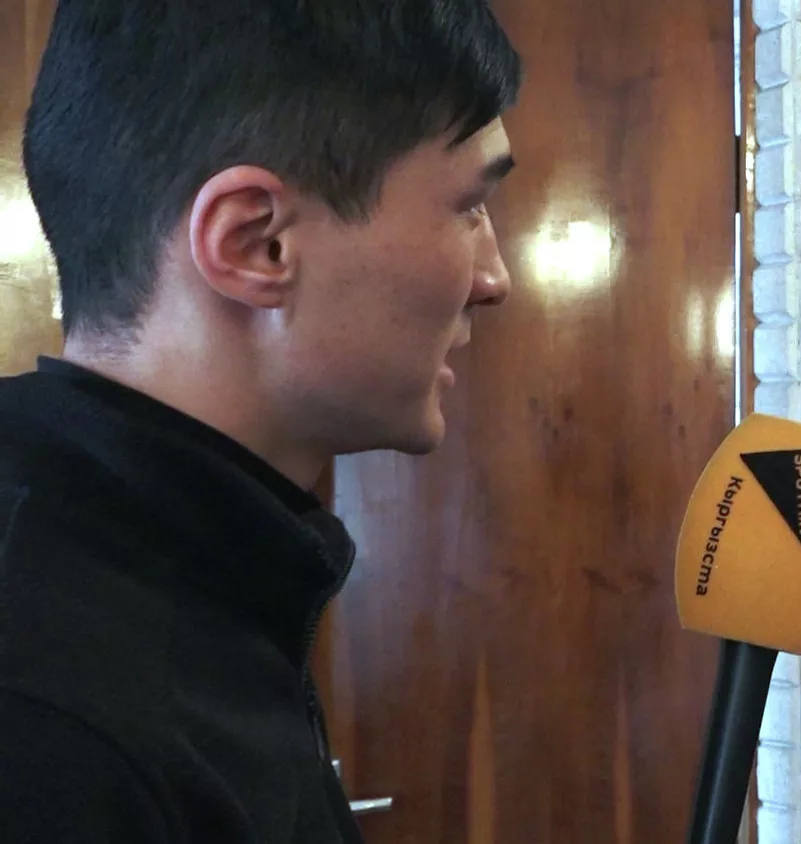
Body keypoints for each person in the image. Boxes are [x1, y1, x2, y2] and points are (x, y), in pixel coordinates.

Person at [0, 1, 519, 841]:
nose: (494, 279)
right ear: (257, 243)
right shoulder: (50, 730)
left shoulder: (183, 573)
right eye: (469, 205)